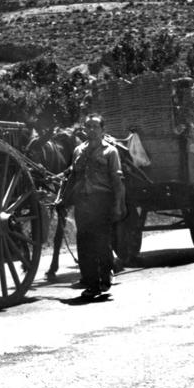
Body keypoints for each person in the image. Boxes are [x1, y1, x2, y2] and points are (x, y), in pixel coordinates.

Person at [59, 113, 126, 300]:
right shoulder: (78, 151)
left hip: (102, 200)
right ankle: (91, 283)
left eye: (95, 127)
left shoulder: (110, 152)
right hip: (83, 202)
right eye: (88, 126)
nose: (91, 130)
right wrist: (63, 199)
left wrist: (119, 205)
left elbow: (117, 181)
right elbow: (72, 177)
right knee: (84, 243)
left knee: (102, 243)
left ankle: (105, 275)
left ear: (103, 130)